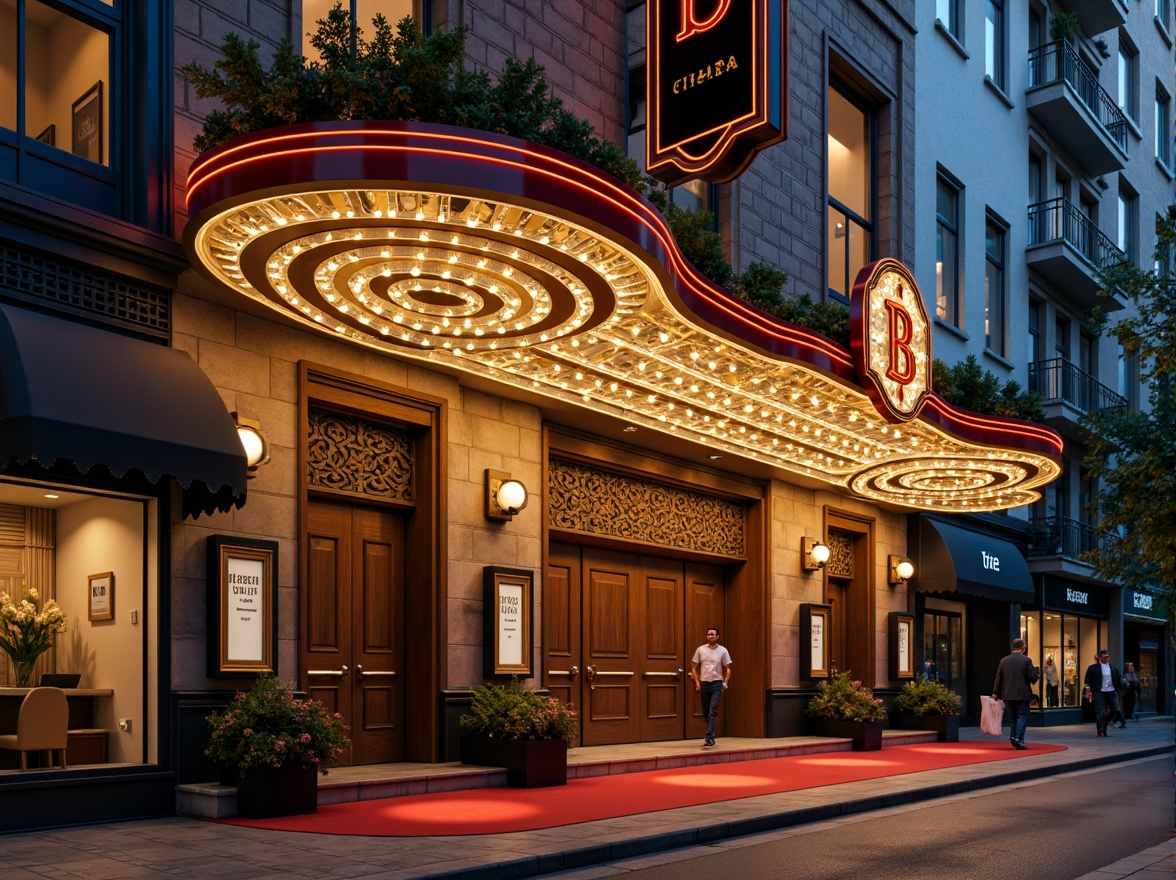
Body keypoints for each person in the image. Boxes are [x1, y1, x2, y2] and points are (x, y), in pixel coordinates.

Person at [992, 637, 1039, 749]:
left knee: (1013, 717)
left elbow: (998, 678)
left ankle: (1013, 737)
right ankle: (1018, 738)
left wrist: (996, 692)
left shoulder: (1004, 660)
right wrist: (1037, 673)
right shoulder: (1026, 660)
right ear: (1023, 648)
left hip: (1008, 694)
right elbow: (1033, 678)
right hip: (1022, 694)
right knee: (1022, 716)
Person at [691, 627, 732, 750]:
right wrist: (697, 682)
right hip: (704, 683)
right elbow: (694, 667)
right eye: (709, 634)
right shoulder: (700, 650)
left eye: (713, 635)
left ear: (717, 636)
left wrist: (725, 682)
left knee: (712, 710)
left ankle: (708, 738)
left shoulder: (723, 651)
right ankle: (711, 733)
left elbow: (728, 668)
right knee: (705, 711)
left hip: (717, 683)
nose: (711, 636)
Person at [1083, 649, 1123, 737]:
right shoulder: (1093, 668)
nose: (1106, 658)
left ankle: (1104, 724)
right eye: (1104, 657)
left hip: (1111, 691)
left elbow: (1118, 680)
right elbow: (1087, 681)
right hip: (1099, 691)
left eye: (1108, 657)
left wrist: (1120, 690)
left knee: (1115, 709)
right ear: (1100, 658)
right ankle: (1100, 729)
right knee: (1100, 711)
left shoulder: (1113, 668)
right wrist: (1088, 691)